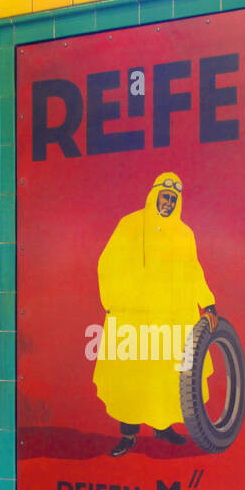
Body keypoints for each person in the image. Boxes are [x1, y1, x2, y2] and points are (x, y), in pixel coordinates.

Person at [92, 172, 219, 457]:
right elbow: (108, 261)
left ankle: (163, 427)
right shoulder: (131, 224)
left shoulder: (185, 233)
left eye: (174, 198)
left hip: (172, 318)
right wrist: (115, 301)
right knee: (133, 375)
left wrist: (207, 304)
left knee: (171, 375)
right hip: (136, 318)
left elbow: (193, 271)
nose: (169, 202)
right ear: (154, 195)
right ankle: (128, 435)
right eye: (165, 196)